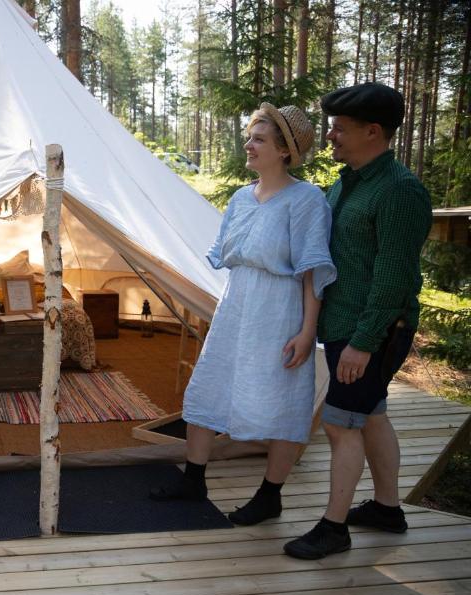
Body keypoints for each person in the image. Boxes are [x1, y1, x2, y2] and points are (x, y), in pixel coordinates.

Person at [151, 103, 336, 527]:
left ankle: (270, 495)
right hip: (237, 305)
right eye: (249, 137)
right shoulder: (240, 197)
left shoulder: (307, 200)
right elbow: (232, 257)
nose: (248, 145)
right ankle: (194, 480)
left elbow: (311, 270)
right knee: (206, 390)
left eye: (258, 139)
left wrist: (308, 331)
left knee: (282, 401)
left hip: (280, 309)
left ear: (285, 151)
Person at [284, 83, 432, 560]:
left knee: (340, 425)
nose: (331, 137)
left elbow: (393, 279)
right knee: (371, 416)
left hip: (373, 330)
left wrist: (364, 342)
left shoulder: (400, 191)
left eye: (339, 129)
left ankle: (334, 527)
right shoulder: (347, 181)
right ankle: (388, 510)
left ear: (374, 131)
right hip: (347, 324)